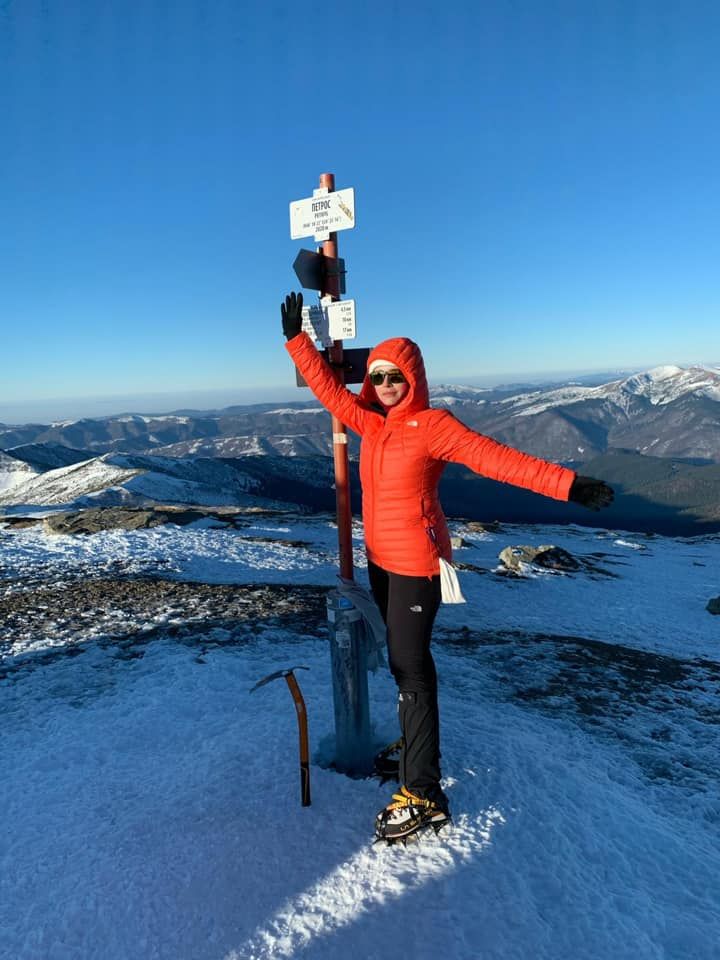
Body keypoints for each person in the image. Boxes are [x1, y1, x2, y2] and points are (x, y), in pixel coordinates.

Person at [280, 291, 613, 843]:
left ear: (414, 379)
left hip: (418, 567)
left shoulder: (434, 426)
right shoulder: (371, 423)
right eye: (379, 378)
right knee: (400, 663)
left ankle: (424, 793)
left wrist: (570, 484)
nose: (386, 387)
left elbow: (498, 459)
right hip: (383, 562)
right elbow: (328, 391)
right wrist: (297, 340)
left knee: (411, 669)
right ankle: (414, 750)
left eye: (396, 379)